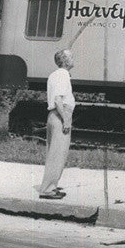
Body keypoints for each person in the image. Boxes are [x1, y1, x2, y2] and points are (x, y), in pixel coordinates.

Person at [39, 49, 75, 199]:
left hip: (53, 115)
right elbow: (58, 100)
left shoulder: (54, 74)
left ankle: (51, 185)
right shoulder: (63, 75)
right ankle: (47, 189)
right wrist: (66, 119)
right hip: (61, 115)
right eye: (71, 57)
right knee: (58, 153)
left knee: (53, 153)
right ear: (65, 61)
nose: (73, 60)